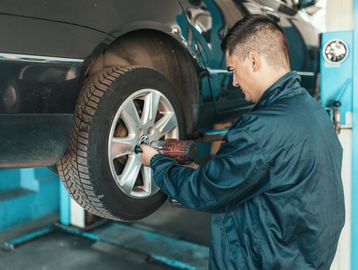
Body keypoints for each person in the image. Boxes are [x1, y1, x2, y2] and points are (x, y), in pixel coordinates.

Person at [140, 15, 345, 269]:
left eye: (233, 70)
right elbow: (255, 177)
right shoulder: (311, 111)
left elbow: (205, 193)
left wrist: (157, 163)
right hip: (302, 257)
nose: (234, 81)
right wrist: (206, 174)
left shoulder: (261, 128)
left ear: (254, 60)